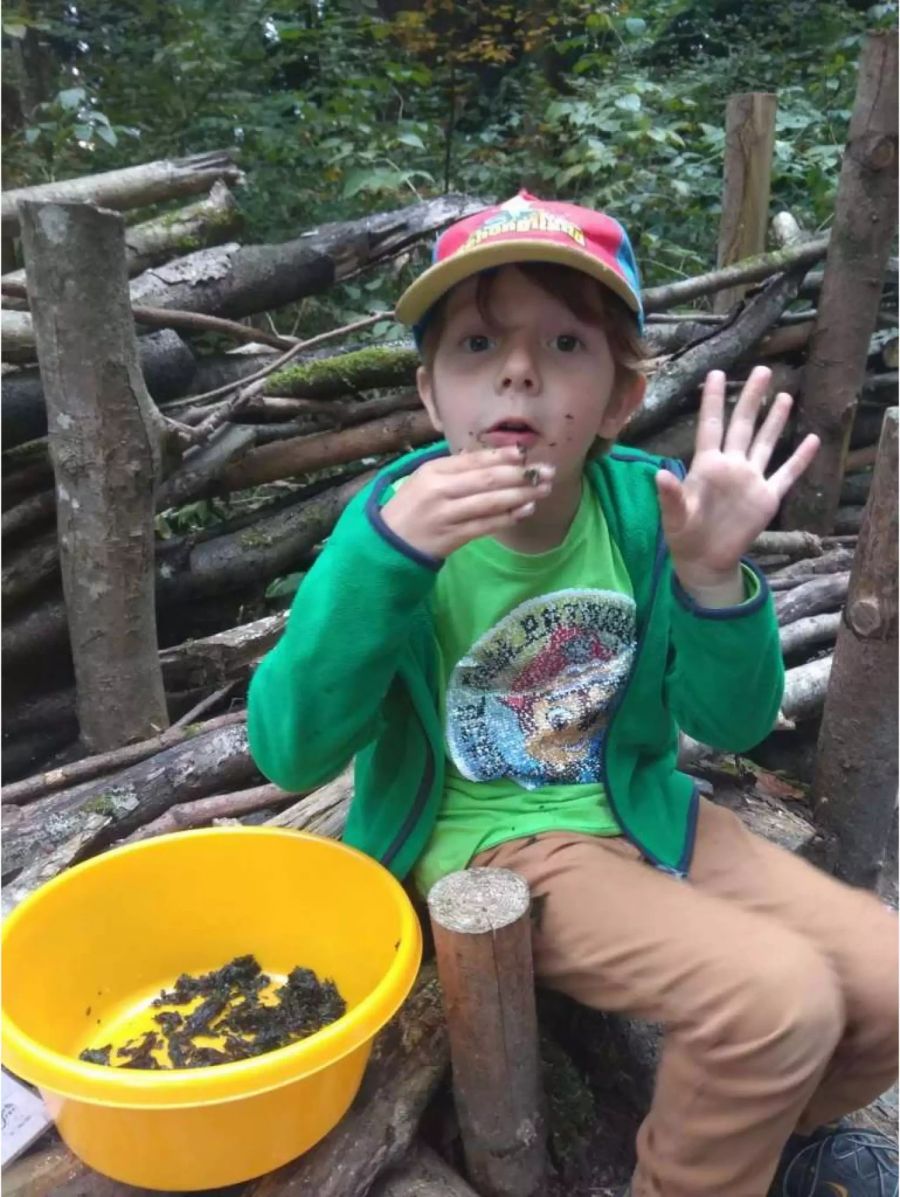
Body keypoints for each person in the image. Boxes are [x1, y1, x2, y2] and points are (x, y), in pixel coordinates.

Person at [247, 192, 898, 1197]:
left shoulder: (646, 510)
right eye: (475, 345)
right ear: (431, 396)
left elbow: (728, 726)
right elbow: (289, 751)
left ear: (621, 396)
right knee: (779, 1001)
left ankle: (776, 1142)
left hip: (647, 813)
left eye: (563, 342)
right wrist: (385, 563)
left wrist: (715, 581)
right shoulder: (392, 529)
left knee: (887, 982)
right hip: (494, 844)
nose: (517, 370)